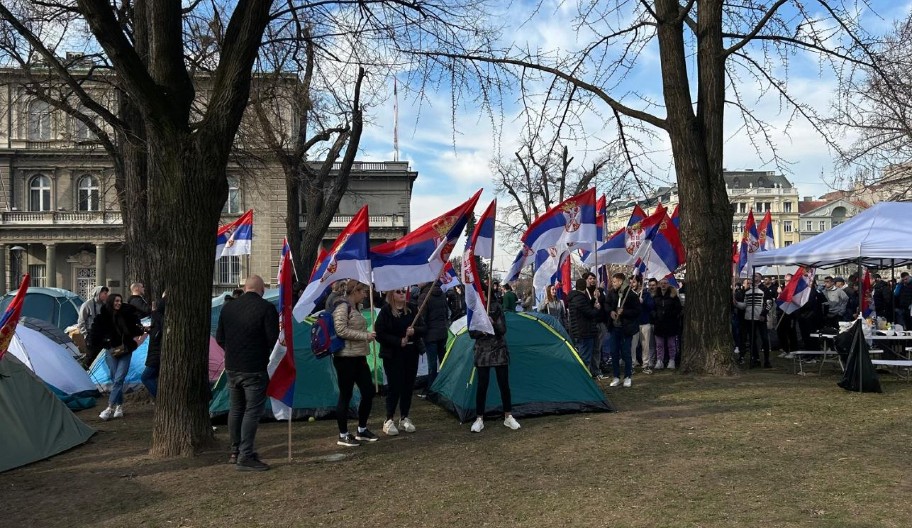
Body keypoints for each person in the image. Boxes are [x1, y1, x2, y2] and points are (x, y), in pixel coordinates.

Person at [216, 275, 279, 471]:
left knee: (236, 409)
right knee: (252, 411)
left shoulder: (228, 308)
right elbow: (272, 340)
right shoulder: (266, 308)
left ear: (244, 288)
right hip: (254, 367)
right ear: (262, 289)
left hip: (232, 366)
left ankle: (235, 451)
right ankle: (246, 454)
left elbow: (219, 338)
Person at [331, 279, 378, 447]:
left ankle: (362, 428)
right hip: (345, 357)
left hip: (359, 356)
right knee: (346, 394)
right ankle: (343, 434)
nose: (365, 295)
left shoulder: (356, 308)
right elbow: (340, 330)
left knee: (368, 391)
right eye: (363, 291)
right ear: (355, 292)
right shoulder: (342, 307)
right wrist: (365, 336)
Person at [469, 283, 520, 433]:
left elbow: (502, 329)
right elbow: (472, 333)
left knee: (503, 384)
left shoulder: (496, 307)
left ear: (486, 293)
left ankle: (508, 416)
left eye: (482, 293)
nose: (480, 296)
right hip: (482, 352)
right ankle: (479, 418)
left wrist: (492, 324)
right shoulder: (474, 309)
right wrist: (484, 330)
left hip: (498, 350)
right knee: (482, 385)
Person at [375, 288, 426, 436]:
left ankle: (404, 417)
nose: (402, 294)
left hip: (411, 353)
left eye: (403, 291)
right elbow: (380, 333)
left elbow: (424, 328)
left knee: (408, 386)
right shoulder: (385, 311)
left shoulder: (412, 308)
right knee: (394, 386)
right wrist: (398, 341)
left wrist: (414, 331)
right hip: (393, 354)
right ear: (391, 294)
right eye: (398, 292)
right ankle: (388, 419)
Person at [89, 293, 145, 421]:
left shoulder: (127, 315)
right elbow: (95, 335)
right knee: (115, 379)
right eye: (116, 301)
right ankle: (119, 406)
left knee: (119, 378)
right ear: (110, 302)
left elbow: (136, 329)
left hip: (126, 350)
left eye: (120, 301)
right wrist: (106, 344)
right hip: (112, 351)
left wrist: (139, 328)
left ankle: (109, 408)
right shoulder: (102, 317)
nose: (118, 303)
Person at [604, 273, 640, 387]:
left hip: (626, 329)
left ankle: (628, 376)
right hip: (614, 328)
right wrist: (611, 311)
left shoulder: (631, 294)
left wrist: (624, 312)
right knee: (614, 352)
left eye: (614, 281)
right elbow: (606, 304)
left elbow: (637, 311)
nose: (613, 284)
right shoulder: (611, 293)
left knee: (626, 353)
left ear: (620, 281)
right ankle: (616, 376)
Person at [417, 281, 449, 398]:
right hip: (442, 332)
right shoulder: (442, 294)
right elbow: (446, 313)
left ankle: (431, 390)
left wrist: (420, 331)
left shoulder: (424, 296)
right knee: (443, 361)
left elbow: (422, 318)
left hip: (430, 334)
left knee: (432, 364)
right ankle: (445, 386)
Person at [567, 277, 602, 377]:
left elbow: (584, 307)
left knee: (583, 355)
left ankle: (583, 375)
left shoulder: (575, 297)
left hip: (579, 331)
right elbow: (589, 313)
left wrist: (592, 302)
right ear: (584, 285)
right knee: (585, 357)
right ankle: (583, 377)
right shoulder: (580, 298)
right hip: (584, 331)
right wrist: (597, 309)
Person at [734, 275, 771, 368]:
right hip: (749, 318)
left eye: (757, 276)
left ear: (760, 279)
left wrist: (763, 314)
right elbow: (744, 305)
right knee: (752, 340)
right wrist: (737, 303)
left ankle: (767, 360)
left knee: (765, 339)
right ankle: (756, 359)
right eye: (753, 277)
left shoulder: (764, 289)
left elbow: (769, 303)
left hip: (760, 318)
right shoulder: (746, 291)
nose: (754, 278)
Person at [652, 278, 683, 369]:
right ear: (659, 284)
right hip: (659, 323)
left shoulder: (673, 296)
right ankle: (659, 360)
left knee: (671, 344)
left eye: (665, 283)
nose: (663, 285)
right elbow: (652, 308)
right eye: (661, 283)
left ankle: (672, 360)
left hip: (670, 323)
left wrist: (671, 315)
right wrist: (655, 315)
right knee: (659, 344)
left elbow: (678, 308)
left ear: (668, 284)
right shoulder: (655, 296)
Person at [142, 292, 166, 399]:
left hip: (156, 355)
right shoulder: (159, 319)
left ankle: (159, 399)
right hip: (156, 354)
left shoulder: (157, 318)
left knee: (146, 377)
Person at [77, 285, 109, 366]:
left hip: (102, 334)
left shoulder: (104, 305)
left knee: (102, 355)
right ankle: (83, 371)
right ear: (98, 293)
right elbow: (81, 322)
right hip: (90, 334)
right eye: (105, 293)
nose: (106, 295)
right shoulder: (87, 304)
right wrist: (85, 335)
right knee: (91, 356)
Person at [629, 275, 654, 370]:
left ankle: (645, 365)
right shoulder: (629, 294)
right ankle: (632, 364)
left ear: (639, 283)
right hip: (634, 323)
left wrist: (643, 302)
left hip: (645, 323)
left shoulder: (646, 294)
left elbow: (651, 306)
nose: (632, 284)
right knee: (633, 346)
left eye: (634, 282)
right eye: (630, 283)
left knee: (645, 345)